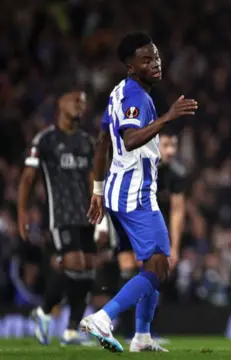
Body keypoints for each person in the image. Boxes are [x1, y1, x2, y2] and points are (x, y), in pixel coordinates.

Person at [79, 32, 197, 353]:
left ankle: (142, 337)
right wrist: (168, 117)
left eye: (156, 56)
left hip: (119, 191)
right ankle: (103, 318)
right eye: (146, 60)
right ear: (131, 67)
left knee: (150, 264)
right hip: (135, 195)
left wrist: (98, 190)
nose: (155, 64)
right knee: (160, 266)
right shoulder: (137, 98)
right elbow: (129, 139)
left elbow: (103, 140)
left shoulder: (119, 92)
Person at [18, 90, 96, 346]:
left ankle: (72, 331)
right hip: (60, 215)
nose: (79, 104)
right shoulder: (46, 140)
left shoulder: (87, 142)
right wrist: (22, 212)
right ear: (60, 102)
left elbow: (93, 180)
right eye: (74, 99)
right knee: (73, 262)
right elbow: (28, 178)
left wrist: (101, 216)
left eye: (82, 102)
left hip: (85, 215)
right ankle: (43, 312)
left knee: (88, 267)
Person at [114, 130, 186, 341]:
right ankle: (126, 330)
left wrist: (175, 247)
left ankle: (145, 331)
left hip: (155, 230)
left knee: (153, 276)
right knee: (128, 272)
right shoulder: (137, 167)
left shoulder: (175, 175)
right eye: (166, 145)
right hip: (128, 224)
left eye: (174, 146)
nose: (171, 151)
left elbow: (177, 212)